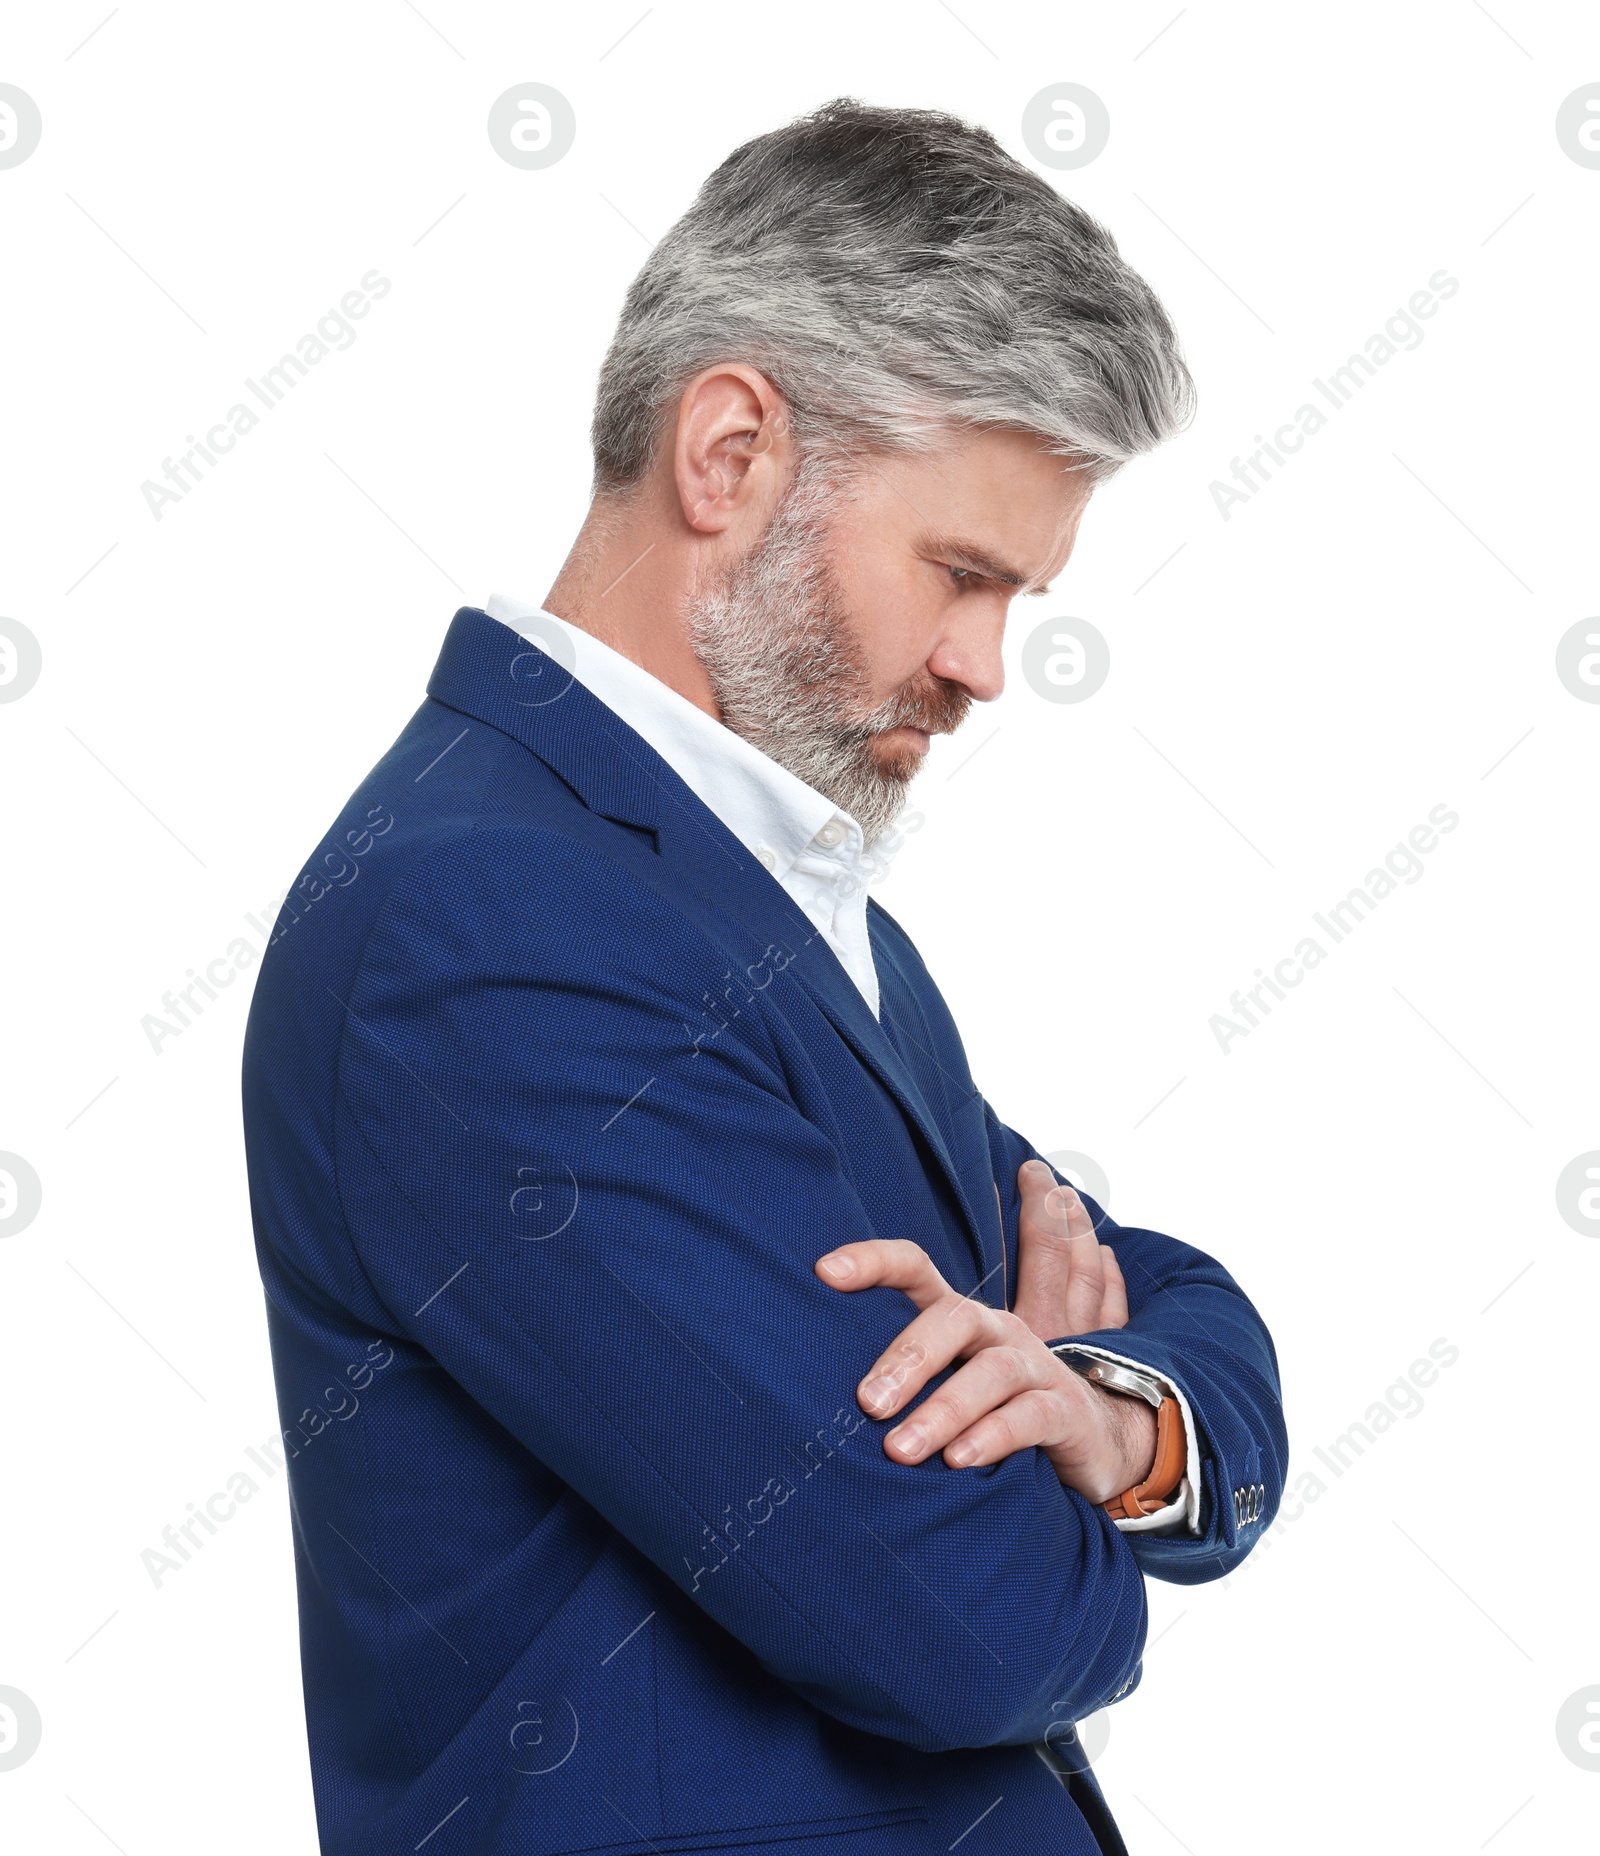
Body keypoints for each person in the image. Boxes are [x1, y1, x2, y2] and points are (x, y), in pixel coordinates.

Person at [241, 96, 1285, 1856]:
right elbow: (975, 1624)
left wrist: (1104, 1415)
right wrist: (1081, 1532)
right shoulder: (484, 927)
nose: (985, 668)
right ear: (729, 452)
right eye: (961, 573)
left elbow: (1167, 1288)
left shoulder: (751, 886)